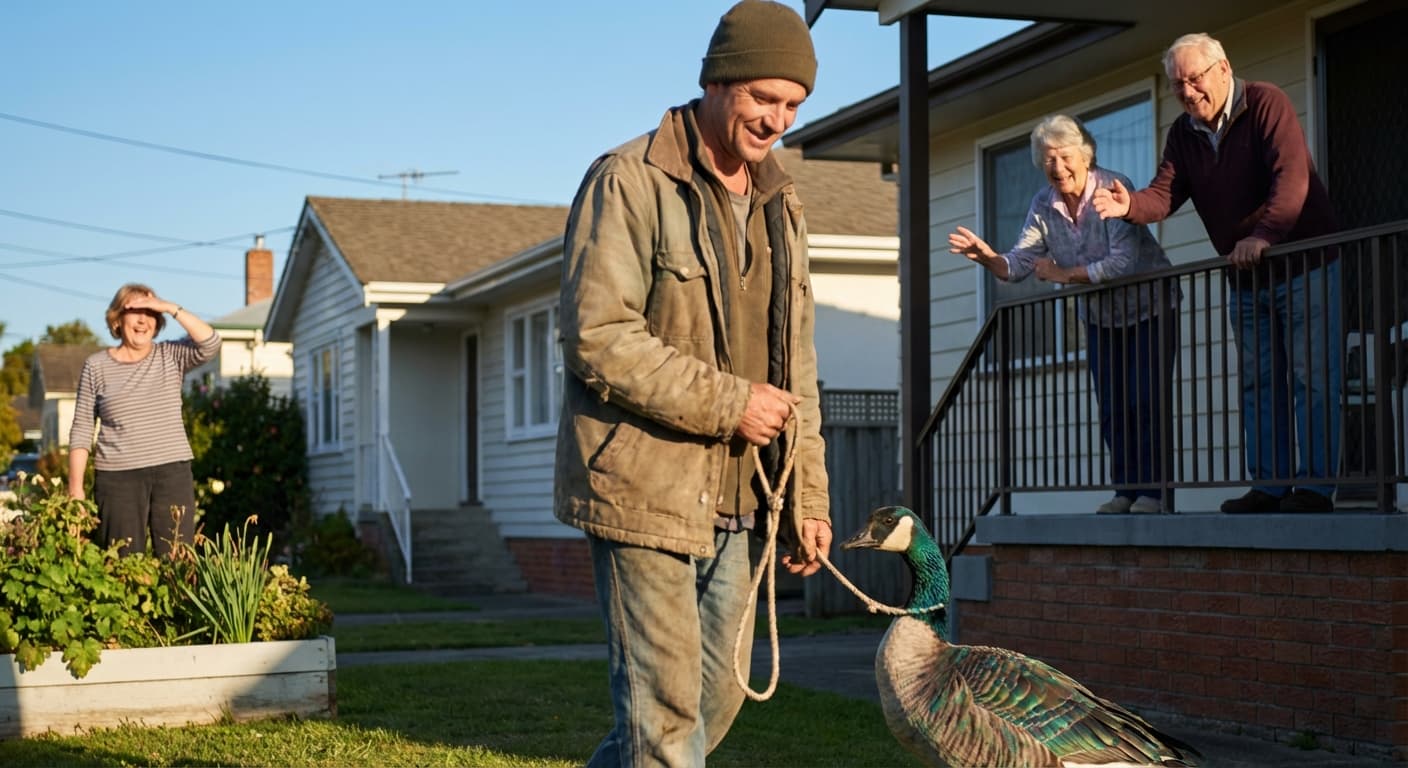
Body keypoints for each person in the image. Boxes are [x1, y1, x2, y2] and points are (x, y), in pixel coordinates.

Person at [554, 1, 832, 764]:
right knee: (668, 726)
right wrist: (730, 403)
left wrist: (808, 497)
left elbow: (797, 365)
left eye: (793, 105)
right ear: (717, 81)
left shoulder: (784, 203)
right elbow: (596, 336)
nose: (777, 119)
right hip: (643, 488)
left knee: (712, 702)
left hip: (745, 497)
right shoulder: (628, 181)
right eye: (762, 98)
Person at [1093, 33, 1340, 514]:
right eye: (1176, 84)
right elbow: (1163, 195)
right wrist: (1129, 205)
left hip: (1305, 263)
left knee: (1313, 377)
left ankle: (1315, 485)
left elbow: (1293, 180)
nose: (1187, 91)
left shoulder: (1267, 102)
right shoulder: (1184, 135)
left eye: (1194, 78)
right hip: (1246, 279)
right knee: (1258, 380)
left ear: (1223, 69)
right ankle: (1269, 486)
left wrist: (1263, 236)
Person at [948, 115, 1180, 515]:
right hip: (1101, 317)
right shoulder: (1044, 203)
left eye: (1065, 156)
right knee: (1112, 406)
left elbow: (1120, 263)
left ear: (1085, 156)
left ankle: (1154, 494)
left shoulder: (1111, 187)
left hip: (1150, 308)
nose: (1058, 167)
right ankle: (1126, 490)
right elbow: (1022, 260)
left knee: (1145, 401)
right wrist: (989, 259)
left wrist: (1064, 275)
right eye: (1049, 159)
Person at [69, 283, 219, 555]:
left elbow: (210, 343)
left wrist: (169, 307)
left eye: (150, 313)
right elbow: (81, 428)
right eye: (135, 311)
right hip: (117, 478)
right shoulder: (96, 366)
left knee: (178, 560)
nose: (142, 320)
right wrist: (75, 489)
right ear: (117, 319)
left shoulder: (171, 355)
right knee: (121, 562)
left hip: (172, 472)